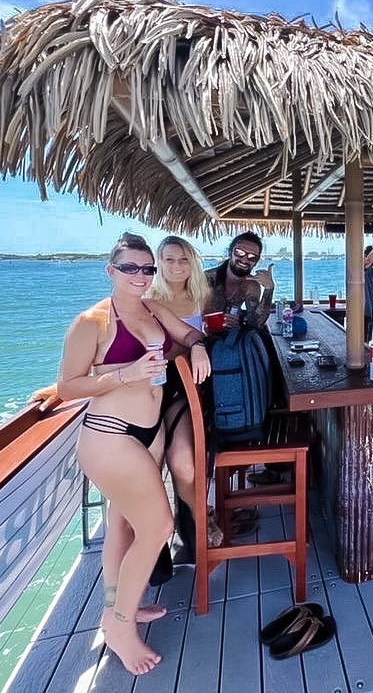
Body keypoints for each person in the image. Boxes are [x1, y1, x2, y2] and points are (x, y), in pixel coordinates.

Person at [57, 233, 210, 676]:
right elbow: (68, 386)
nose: (140, 276)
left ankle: (120, 603)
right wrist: (126, 374)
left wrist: (197, 347)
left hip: (151, 430)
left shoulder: (152, 309)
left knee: (122, 524)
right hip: (110, 436)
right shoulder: (92, 322)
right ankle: (118, 626)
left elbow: (189, 332)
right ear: (111, 271)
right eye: (130, 268)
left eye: (147, 269)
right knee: (160, 525)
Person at [147, 235, 215, 562]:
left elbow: (203, 334)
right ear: (158, 263)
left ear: (193, 263)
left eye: (183, 259)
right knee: (150, 467)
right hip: (150, 390)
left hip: (186, 388)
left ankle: (199, 518)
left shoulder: (202, 296)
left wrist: (202, 342)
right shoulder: (148, 299)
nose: (176, 266)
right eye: (169, 259)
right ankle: (158, 546)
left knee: (183, 465)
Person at [205, 232, 275, 327]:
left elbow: (256, 323)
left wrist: (269, 288)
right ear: (230, 252)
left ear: (256, 262)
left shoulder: (251, 285)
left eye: (252, 257)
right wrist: (218, 322)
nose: (245, 260)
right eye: (239, 253)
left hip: (231, 337)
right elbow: (189, 317)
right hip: (200, 337)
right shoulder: (207, 279)